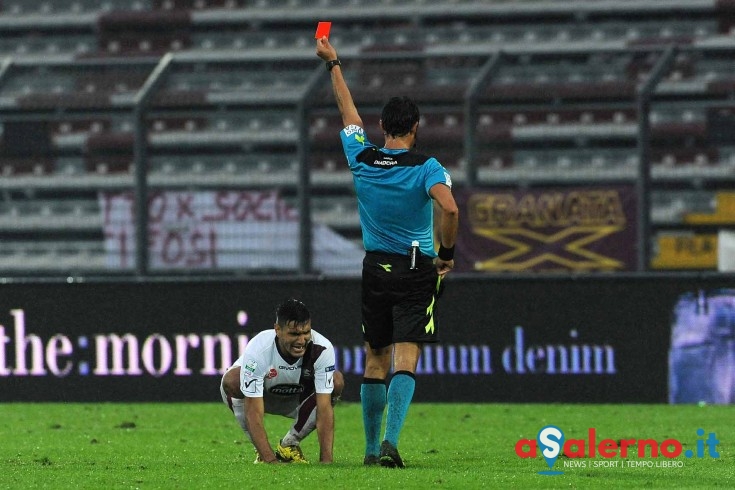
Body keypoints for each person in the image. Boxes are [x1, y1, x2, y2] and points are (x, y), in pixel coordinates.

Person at [316, 37, 459, 469]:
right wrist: (446, 253)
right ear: (415, 128)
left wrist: (334, 63)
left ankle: (369, 449)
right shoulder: (427, 167)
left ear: (382, 126)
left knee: (374, 357)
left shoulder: (362, 156)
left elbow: (347, 113)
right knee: (406, 355)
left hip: (374, 268)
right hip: (416, 269)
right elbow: (449, 207)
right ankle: (393, 443)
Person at [220, 298, 344, 464]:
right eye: (294, 334)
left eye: (306, 332)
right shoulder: (259, 349)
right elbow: (253, 410)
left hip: (298, 398)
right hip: (260, 397)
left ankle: (289, 444)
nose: (301, 341)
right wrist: (271, 462)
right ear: (277, 330)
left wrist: (326, 462)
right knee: (233, 380)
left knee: (335, 382)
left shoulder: (322, 348)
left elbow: (324, 409)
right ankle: (262, 452)